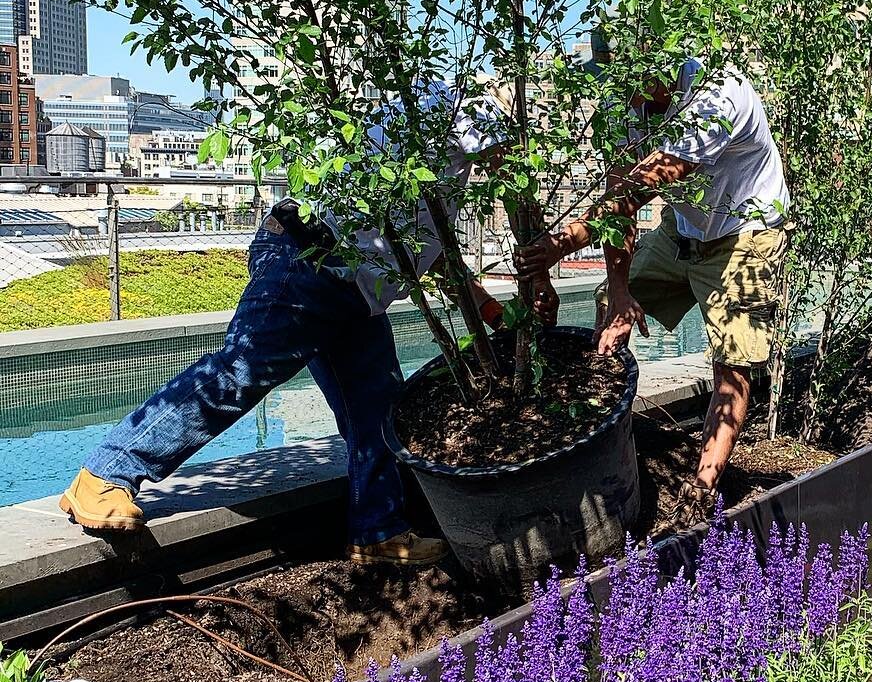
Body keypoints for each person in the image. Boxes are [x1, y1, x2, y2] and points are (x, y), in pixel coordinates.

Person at [60, 91, 557, 564]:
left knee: (377, 409)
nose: (519, 138)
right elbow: (513, 179)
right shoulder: (452, 105)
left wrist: (494, 313)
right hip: (311, 259)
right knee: (239, 373)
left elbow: (435, 250)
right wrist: (540, 261)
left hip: (356, 287)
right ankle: (106, 473)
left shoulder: (440, 165)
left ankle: (378, 532)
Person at [517, 47, 789, 525]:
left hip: (745, 233)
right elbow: (617, 198)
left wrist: (559, 244)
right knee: (605, 302)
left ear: (658, 64)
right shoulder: (623, 105)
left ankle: (700, 492)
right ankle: (603, 440)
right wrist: (621, 293)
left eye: (631, 79)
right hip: (685, 229)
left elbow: (638, 188)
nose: (623, 92)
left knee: (733, 360)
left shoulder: (716, 94)